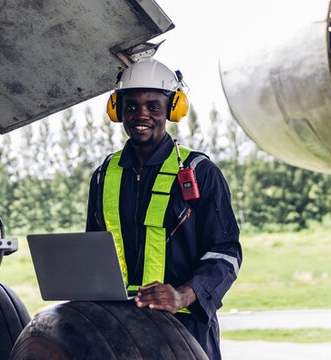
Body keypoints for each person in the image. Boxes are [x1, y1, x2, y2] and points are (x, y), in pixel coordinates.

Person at [85, 57, 242, 360]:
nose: (141, 115)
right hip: (118, 328)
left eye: (153, 106)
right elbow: (94, 250)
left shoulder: (200, 172)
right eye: (131, 106)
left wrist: (183, 294)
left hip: (184, 330)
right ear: (117, 110)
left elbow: (225, 253)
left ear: (173, 109)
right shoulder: (105, 175)